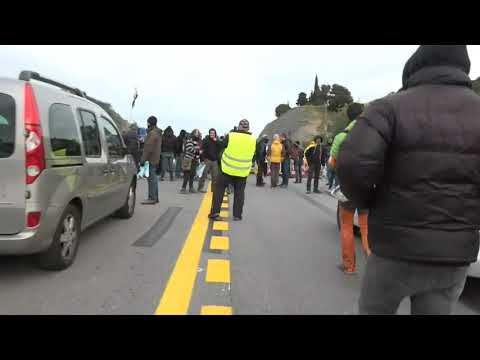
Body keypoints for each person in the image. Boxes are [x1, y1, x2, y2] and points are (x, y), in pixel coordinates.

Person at [338, 45, 480, 315]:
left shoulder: (388, 108)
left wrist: (368, 203)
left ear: (415, 66)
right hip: (453, 252)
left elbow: (353, 163)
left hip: (395, 244)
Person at [330, 103, 370, 275]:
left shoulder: (341, 137)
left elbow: (332, 163)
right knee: (367, 228)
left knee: (346, 226)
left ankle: (349, 266)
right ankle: (374, 267)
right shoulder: (373, 135)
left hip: (347, 188)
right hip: (368, 187)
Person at [209, 119, 256, 221]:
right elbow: (254, 155)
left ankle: (215, 213)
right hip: (242, 171)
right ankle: (237, 215)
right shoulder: (253, 139)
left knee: (219, 190)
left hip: (227, 169)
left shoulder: (231, 135)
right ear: (248, 128)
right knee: (239, 193)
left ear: (239, 127)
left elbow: (221, 146)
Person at [140, 116, 162, 205]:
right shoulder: (157, 132)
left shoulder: (152, 133)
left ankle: (152, 198)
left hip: (151, 159)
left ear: (149, 123)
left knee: (151, 179)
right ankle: (155, 197)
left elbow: (148, 148)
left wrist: (143, 159)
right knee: (154, 179)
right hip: (155, 158)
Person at [198, 128, 221, 193]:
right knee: (204, 174)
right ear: (209, 133)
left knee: (215, 176)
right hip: (207, 160)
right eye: (211, 133)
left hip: (215, 161)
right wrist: (202, 159)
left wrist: (216, 141)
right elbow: (202, 149)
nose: (212, 134)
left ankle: (214, 189)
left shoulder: (217, 140)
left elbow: (220, 147)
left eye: (213, 133)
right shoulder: (206, 140)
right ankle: (200, 188)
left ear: (215, 134)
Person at [180, 129, 201, 194]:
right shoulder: (190, 140)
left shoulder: (198, 141)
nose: (197, 134)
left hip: (194, 160)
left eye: (198, 133)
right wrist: (197, 151)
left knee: (192, 174)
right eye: (196, 132)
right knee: (187, 174)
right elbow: (189, 149)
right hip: (188, 159)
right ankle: (183, 188)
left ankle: (191, 188)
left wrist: (198, 152)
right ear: (193, 133)